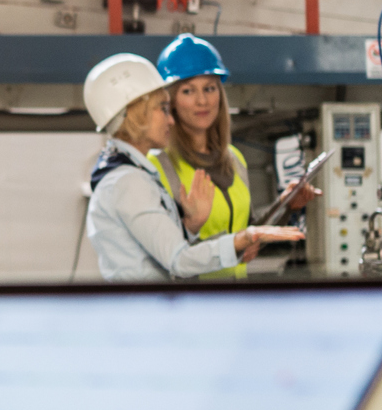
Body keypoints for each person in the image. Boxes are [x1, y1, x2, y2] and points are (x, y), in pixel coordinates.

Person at [82, 55, 303, 280]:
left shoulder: (132, 175)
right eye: (162, 108)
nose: (170, 120)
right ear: (138, 114)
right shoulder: (128, 182)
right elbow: (177, 260)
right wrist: (241, 239)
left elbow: (162, 249)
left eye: (210, 89)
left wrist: (191, 226)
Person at [152, 33, 319, 278]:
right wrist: (230, 243)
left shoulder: (234, 158)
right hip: (191, 306)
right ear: (171, 101)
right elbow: (166, 254)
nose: (202, 100)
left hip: (235, 299)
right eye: (188, 91)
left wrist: (285, 205)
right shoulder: (159, 166)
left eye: (209, 88)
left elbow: (248, 232)